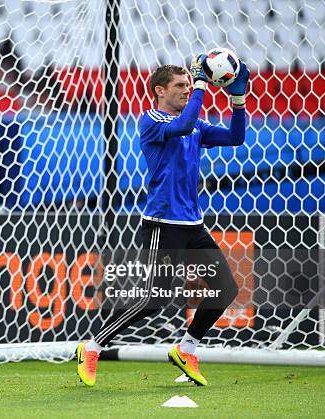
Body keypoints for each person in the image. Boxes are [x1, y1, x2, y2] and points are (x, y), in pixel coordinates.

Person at [76, 56, 250, 387]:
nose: (188, 89)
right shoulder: (152, 120)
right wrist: (201, 83)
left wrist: (238, 99)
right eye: (180, 85)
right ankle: (92, 347)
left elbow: (235, 138)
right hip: (162, 223)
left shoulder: (196, 124)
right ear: (160, 90)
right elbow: (183, 125)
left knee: (225, 290)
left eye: (189, 84)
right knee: (155, 299)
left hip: (193, 225)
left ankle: (187, 349)